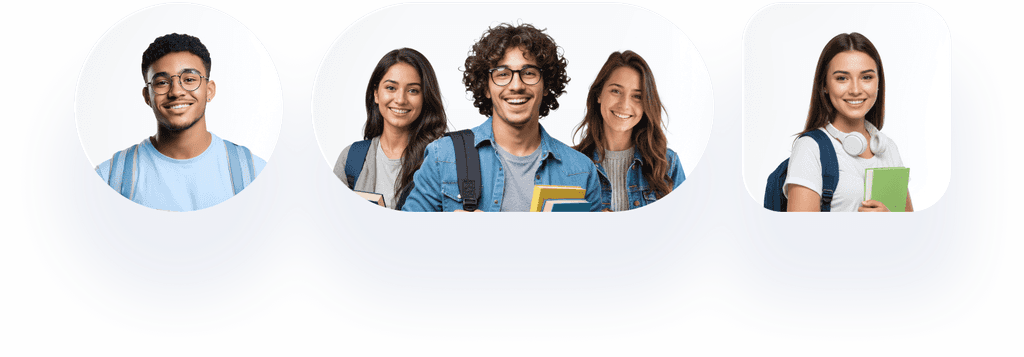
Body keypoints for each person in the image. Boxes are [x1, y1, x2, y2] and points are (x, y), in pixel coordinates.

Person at [401, 23, 601, 212]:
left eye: (529, 73)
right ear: (486, 87)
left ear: (546, 85)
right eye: (503, 74)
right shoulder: (443, 156)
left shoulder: (582, 171)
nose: (516, 86)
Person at [95, 33, 266, 211]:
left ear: (209, 90)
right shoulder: (109, 178)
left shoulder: (255, 173)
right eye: (162, 82)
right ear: (147, 96)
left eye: (189, 79)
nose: (176, 92)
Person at [784, 32, 914, 212]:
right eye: (842, 78)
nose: (855, 90)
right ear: (824, 85)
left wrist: (890, 219)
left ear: (878, 83)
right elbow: (798, 229)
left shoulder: (887, 148)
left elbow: (910, 225)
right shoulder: (810, 148)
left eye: (866, 77)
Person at [333, 48, 448, 209]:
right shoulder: (351, 158)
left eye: (413, 90)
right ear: (376, 94)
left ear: (425, 98)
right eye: (391, 88)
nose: (400, 100)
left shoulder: (442, 159)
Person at [573, 51, 685, 211]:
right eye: (616, 91)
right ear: (599, 94)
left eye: (637, 96)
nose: (624, 105)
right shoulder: (570, 164)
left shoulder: (667, 164)